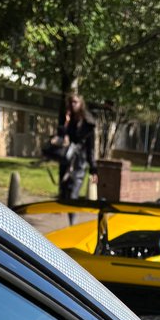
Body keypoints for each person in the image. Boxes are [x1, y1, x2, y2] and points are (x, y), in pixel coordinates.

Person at [56, 94, 97, 223]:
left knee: (73, 194)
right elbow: (60, 136)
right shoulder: (67, 119)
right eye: (71, 102)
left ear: (81, 104)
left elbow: (91, 148)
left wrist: (93, 170)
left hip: (80, 162)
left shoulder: (88, 123)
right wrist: (66, 122)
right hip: (67, 161)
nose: (73, 105)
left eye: (75, 102)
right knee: (64, 192)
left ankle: (72, 224)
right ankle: (70, 221)